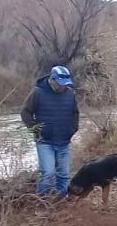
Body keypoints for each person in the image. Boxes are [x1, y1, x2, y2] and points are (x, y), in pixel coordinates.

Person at [21, 65, 80, 196]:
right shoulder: (37, 92)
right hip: (45, 142)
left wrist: (73, 129)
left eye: (65, 84)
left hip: (64, 140)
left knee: (64, 175)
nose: (63, 87)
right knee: (48, 173)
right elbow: (25, 112)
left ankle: (61, 200)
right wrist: (36, 130)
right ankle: (42, 202)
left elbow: (75, 112)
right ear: (52, 80)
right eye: (60, 84)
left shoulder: (70, 93)